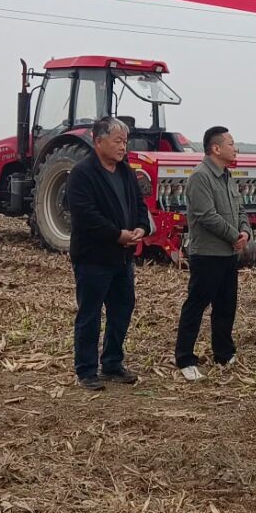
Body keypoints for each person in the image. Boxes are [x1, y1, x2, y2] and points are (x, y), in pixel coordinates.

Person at [66, 117, 152, 390]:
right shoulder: (82, 174)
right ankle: (86, 370)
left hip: (122, 258)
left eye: (125, 142)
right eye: (117, 141)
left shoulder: (125, 172)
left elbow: (139, 204)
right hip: (93, 258)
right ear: (98, 141)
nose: (123, 147)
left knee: (122, 310)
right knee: (90, 315)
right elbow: (85, 216)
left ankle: (112, 363)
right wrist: (117, 235)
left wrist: (141, 227)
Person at [176, 125, 252, 380]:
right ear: (216, 148)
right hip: (208, 254)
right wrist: (234, 236)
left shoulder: (227, 176)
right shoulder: (200, 177)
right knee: (196, 305)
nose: (235, 148)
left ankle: (223, 352)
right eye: (231, 144)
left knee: (226, 306)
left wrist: (245, 232)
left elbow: (240, 209)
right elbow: (206, 215)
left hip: (229, 254)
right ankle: (185, 358)